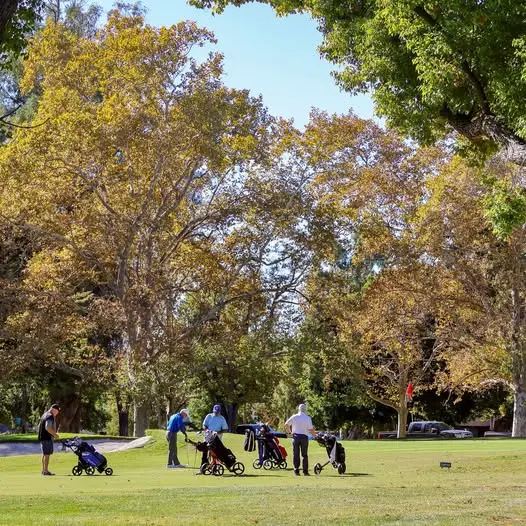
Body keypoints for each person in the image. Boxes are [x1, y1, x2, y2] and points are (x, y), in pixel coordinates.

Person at [284, 403, 316, 476]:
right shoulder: (308, 418)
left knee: (296, 454)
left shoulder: (294, 417)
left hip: (295, 437)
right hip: (304, 437)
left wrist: (290, 432)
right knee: (304, 455)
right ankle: (305, 471)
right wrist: (315, 435)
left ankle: (296, 470)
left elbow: (286, 424)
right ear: (305, 409)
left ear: (298, 409)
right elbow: (310, 429)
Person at [196, 404, 229, 473]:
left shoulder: (222, 418)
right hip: (207, 437)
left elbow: (225, 429)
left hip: (216, 439)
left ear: (220, 411)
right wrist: (207, 429)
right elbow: (204, 425)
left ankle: (215, 468)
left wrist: (218, 432)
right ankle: (203, 469)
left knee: (215, 454)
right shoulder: (209, 416)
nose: (216, 413)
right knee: (204, 453)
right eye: (215, 411)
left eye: (217, 412)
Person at [38, 404, 60, 476]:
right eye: (57, 411)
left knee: (45, 454)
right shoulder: (50, 416)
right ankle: (46, 471)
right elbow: (47, 427)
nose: (57, 413)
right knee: (47, 455)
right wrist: (54, 434)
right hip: (46, 438)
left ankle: (44, 470)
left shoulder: (44, 415)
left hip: (42, 437)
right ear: (54, 409)